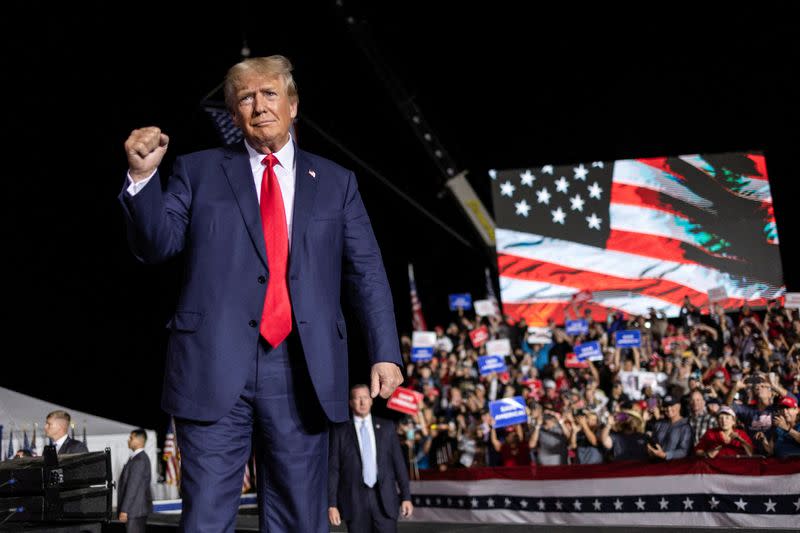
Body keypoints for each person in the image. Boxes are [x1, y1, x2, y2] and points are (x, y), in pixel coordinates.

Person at [120, 55, 403, 532]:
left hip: (303, 369)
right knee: (206, 516)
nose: (259, 105)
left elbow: (367, 272)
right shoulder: (197, 171)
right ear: (234, 116)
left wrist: (384, 352)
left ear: (293, 104)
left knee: (299, 518)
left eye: (270, 93)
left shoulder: (337, 183)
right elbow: (155, 246)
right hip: (211, 365)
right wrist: (144, 178)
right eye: (245, 98)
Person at [328, 385, 412, 532]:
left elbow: (399, 464)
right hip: (355, 503)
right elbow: (334, 470)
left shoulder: (386, 427)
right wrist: (332, 504)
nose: (362, 402)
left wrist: (406, 497)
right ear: (350, 402)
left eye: (365, 397)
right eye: (357, 398)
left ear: (371, 401)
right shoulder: (340, 431)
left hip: (385, 502)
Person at [117, 429, 153, 533]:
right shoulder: (137, 458)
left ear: (139, 441)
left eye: (131, 438)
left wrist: (124, 510)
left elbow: (132, 487)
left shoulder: (139, 460)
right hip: (136, 509)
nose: (128, 440)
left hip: (135, 510)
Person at [647, 395, 693, 460]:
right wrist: (650, 449)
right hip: (656, 464)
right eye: (666, 406)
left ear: (679, 406)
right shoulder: (659, 424)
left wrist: (665, 455)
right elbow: (653, 442)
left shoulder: (686, 426)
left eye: (672, 405)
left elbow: (684, 451)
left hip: (675, 466)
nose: (669, 409)